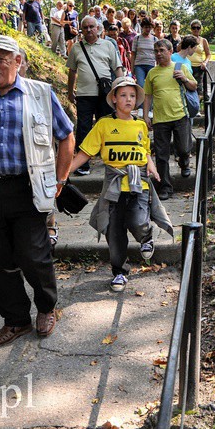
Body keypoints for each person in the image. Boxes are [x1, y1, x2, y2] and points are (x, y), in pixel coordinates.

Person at [0, 35, 74, 347]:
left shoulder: (40, 94)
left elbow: (67, 137)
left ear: (17, 61)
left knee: (32, 254)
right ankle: (16, 319)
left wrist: (59, 180)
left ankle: (46, 307)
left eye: (0, 60)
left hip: (28, 187)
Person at [69, 78, 173, 292]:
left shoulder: (141, 126)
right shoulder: (104, 125)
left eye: (132, 96)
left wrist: (151, 166)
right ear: (114, 99)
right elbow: (85, 153)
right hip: (114, 188)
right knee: (113, 232)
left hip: (139, 184)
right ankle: (119, 272)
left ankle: (146, 236)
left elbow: (144, 151)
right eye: (123, 95)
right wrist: (64, 173)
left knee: (138, 219)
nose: (129, 100)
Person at [67, 15, 124, 176]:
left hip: (105, 94)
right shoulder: (76, 48)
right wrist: (70, 91)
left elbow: (117, 68)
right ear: (82, 30)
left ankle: (111, 160)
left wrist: (121, 90)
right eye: (85, 27)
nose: (89, 30)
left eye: (92, 26)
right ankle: (83, 163)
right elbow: (72, 71)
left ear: (98, 28)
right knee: (84, 128)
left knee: (107, 126)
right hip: (84, 94)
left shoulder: (107, 45)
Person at [144, 39, 196, 200]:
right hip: (160, 119)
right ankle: (165, 187)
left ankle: (184, 161)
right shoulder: (152, 73)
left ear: (170, 51)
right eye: (156, 51)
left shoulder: (180, 67)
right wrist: (146, 115)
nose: (158, 54)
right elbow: (147, 96)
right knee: (161, 155)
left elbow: (194, 86)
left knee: (183, 147)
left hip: (180, 115)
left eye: (161, 50)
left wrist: (185, 79)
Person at [19, 48, 60, 248]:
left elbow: (61, 130)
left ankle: (51, 224)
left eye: (21, 61)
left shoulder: (40, 92)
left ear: (26, 64)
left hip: (42, 155)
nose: (17, 66)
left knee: (45, 195)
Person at [130, 17, 157, 90]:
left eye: (149, 27)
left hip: (151, 65)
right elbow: (133, 55)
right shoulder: (137, 38)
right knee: (140, 86)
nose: (147, 29)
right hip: (139, 65)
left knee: (150, 87)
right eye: (146, 27)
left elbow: (157, 54)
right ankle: (141, 101)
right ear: (142, 27)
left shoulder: (155, 39)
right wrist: (132, 69)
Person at [189, 20, 211, 96]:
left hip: (199, 67)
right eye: (194, 28)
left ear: (200, 29)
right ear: (191, 29)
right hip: (187, 66)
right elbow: (179, 49)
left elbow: (208, 54)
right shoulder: (187, 38)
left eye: (198, 28)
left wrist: (205, 62)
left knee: (199, 89)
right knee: (188, 87)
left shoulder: (203, 40)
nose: (196, 30)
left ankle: (198, 105)